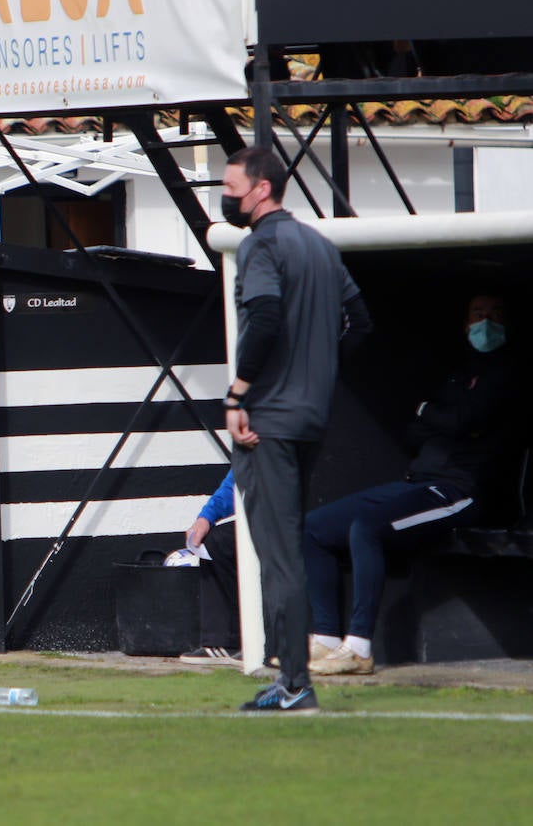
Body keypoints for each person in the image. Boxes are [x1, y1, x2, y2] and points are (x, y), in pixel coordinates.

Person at [221, 145, 371, 713]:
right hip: (310, 417)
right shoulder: (320, 246)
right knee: (290, 547)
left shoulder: (263, 245)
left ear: (261, 189)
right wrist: (318, 372)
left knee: (278, 554)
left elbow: (262, 317)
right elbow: (360, 323)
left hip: (268, 422)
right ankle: (292, 679)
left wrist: (240, 394)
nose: (227, 196)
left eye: (232, 187)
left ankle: (293, 683)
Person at [304, 293, 518, 676]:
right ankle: (326, 641)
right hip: (418, 481)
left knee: (366, 527)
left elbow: (461, 421)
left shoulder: (506, 373)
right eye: (479, 314)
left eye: (496, 314)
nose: (486, 322)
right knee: (314, 528)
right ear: (465, 323)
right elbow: (414, 431)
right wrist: (441, 418)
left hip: (458, 491)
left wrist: (435, 415)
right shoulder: (455, 372)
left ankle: (359, 648)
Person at [177, 471, 242, 666]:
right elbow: (236, 481)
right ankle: (222, 642)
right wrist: (206, 517)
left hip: (291, 514)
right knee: (214, 541)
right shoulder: (246, 446)